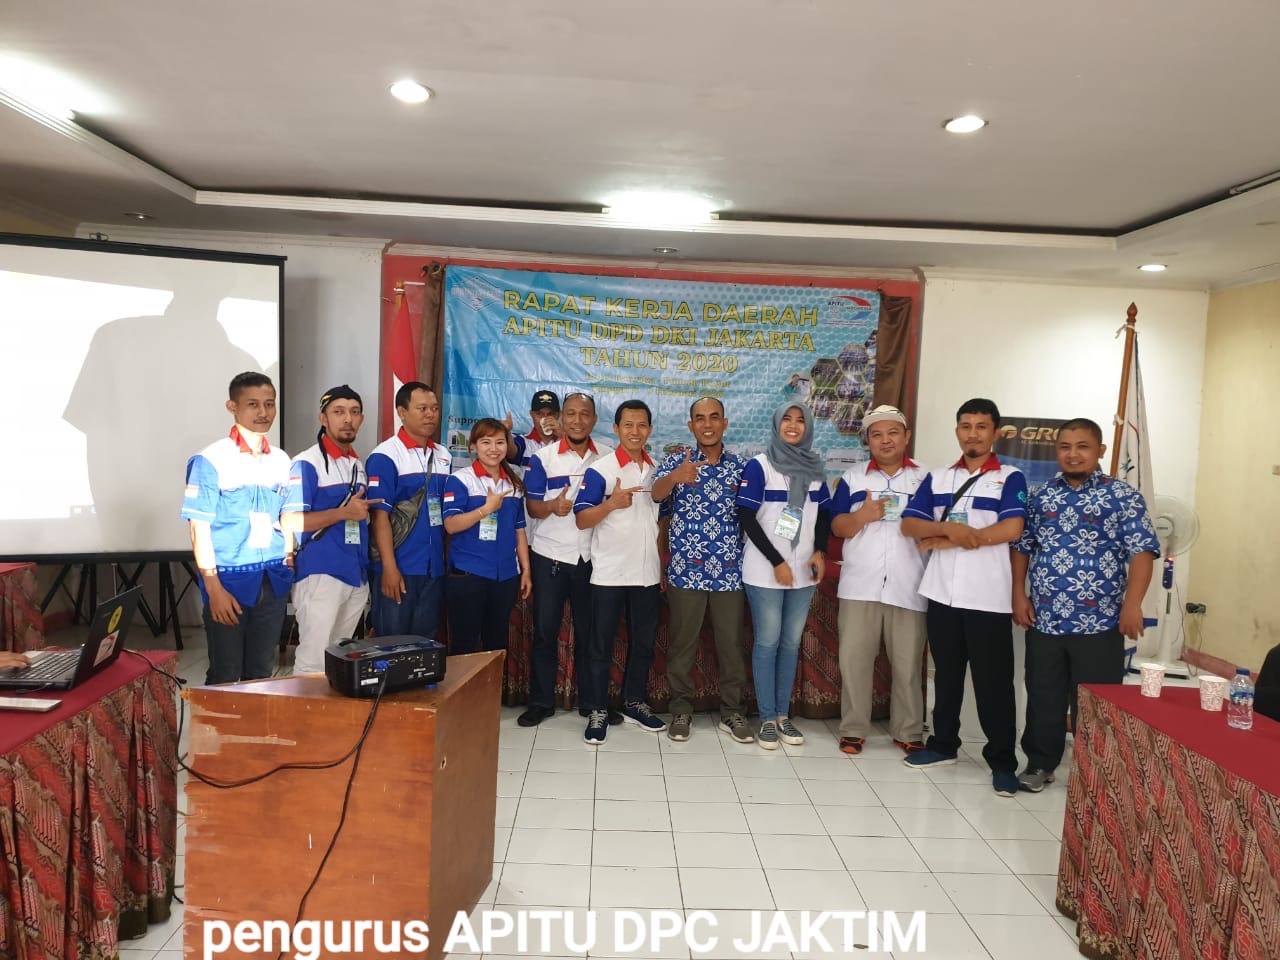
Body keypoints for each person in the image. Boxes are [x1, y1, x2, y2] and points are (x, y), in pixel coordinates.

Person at [1012, 417, 1158, 791]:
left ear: (1100, 451)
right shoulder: (1041, 496)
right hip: (1045, 619)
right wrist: (1018, 593)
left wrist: (1133, 605)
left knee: (1095, 701)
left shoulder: (1122, 496)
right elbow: (1023, 547)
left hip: (1100, 622)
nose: (1073, 454)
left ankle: (1094, 771)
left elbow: (1142, 552)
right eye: (1065, 447)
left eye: (1082, 447)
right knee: (1043, 695)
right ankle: (1040, 763)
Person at [900, 398, 1028, 798]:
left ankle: (1003, 761)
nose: (973, 434)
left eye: (981, 426)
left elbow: (1012, 528)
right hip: (941, 594)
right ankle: (943, 745)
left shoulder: (1010, 477)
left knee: (994, 684)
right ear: (957, 431)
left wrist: (952, 538)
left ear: (995, 432)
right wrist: (949, 530)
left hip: (988, 598)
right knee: (947, 676)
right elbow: (909, 524)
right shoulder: (939, 477)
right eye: (966, 426)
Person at [652, 397, 753, 744]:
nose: (707, 424)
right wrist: (675, 477)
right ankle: (681, 709)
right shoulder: (675, 461)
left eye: (713, 417)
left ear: (724, 423)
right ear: (690, 425)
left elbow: (753, 516)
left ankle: (733, 711)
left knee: (731, 644)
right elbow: (656, 497)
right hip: (685, 569)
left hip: (729, 570)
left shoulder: (741, 467)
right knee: (682, 643)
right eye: (699, 418)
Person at [181, 371, 293, 685]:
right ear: (233, 407)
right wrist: (213, 588)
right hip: (229, 581)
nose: (263, 412)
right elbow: (198, 528)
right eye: (253, 404)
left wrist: (288, 558)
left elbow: (284, 518)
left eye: (269, 404)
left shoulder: (281, 460)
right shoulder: (210, 459)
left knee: (261, 673)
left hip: (272, 580)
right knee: (225, 674)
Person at [829, 404, 928, 755]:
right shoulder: (853, 478)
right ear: (868, 441)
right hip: (860, 584)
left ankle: (908, 731)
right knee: (854, 661)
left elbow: (938, 525)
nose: (885, 440)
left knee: (907, 664)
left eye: (893, 433)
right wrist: (862, 516)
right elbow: (837, 526)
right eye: (877, 434)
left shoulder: (926, 479)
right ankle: (853, 728)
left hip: (910, 584)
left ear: (906, 436)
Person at [737, 402, 832, 750]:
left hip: (804, 572)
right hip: (765, 571)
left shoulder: (815, 469)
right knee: (768, 642)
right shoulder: (761, 466)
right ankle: (765, 718)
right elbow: (746, 517)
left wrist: (820, 551)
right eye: (787, 419)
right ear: (776, 425)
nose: (793, 425)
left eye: (800, 420)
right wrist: (777, 561)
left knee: (790, 644)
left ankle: (782, 715)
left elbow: (824, 516)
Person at [574, 399, 666, 744]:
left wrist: (662, 564)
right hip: (609, 574)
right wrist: (611, 503)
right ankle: (597, 708)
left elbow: (661, 522)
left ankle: (633, 702)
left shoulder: (656, 471)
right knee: (600, 645)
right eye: (628, 425)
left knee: (643, 643)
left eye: (641, 425)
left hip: (647, 573)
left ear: (650, 430)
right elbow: (581, 519)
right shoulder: (601, 470)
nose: (635, 431)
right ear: (616, 429)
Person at [518, 392, 613, 727]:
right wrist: (552, 507)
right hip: (550, 556)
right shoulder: (543, 459)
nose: (577, 420)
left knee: (591, 634)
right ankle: (541, 702)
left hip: (592, 557)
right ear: (561, 418)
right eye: (570, 414)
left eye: (584, 414)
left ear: (594, 420)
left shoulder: (608, 457)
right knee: (545, 633)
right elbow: (532, 508)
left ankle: (592, 703)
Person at [281, 386, 377, 675]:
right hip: (321, 573)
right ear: (323, 419)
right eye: (338, 412)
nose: (348, 419)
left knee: (337, 658)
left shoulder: (356, 464)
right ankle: (302, 706)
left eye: (354, 412)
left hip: (355, 573)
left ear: (361, 419)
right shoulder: (307, 463)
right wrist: (344, 513)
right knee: (312, 661)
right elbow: (290, 521)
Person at [366, 381, 451, 639]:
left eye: (434, 408)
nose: (430, 414)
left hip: (433, 568)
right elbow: (379, 517)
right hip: (399, 567)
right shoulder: (386, 455)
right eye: (422, 408)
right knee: (391, 645)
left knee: (424, 645)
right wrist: (389, 568)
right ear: (402, 412)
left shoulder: (443, 455)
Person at [442, 419, 532, 654]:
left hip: (506, 576)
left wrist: (526, 570)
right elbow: (451, 525)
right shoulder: (461, 480)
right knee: (464, 646)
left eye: (500, 442)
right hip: (469, 575)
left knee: (497, 645)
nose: (494, 449)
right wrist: (486, 509)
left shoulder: (514, 484)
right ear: (473, 446)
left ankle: (493, 682)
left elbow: (519, 530)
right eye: (486, 442)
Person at [507, 390, 563, 472]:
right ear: (532, 414)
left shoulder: (567, 441)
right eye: (539, 414)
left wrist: (562, 434)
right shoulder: (523, 441)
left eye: (550, 414)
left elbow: (581, 454)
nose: (545, 419)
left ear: (558, 415)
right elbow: (511, 453)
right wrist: (506, 432)